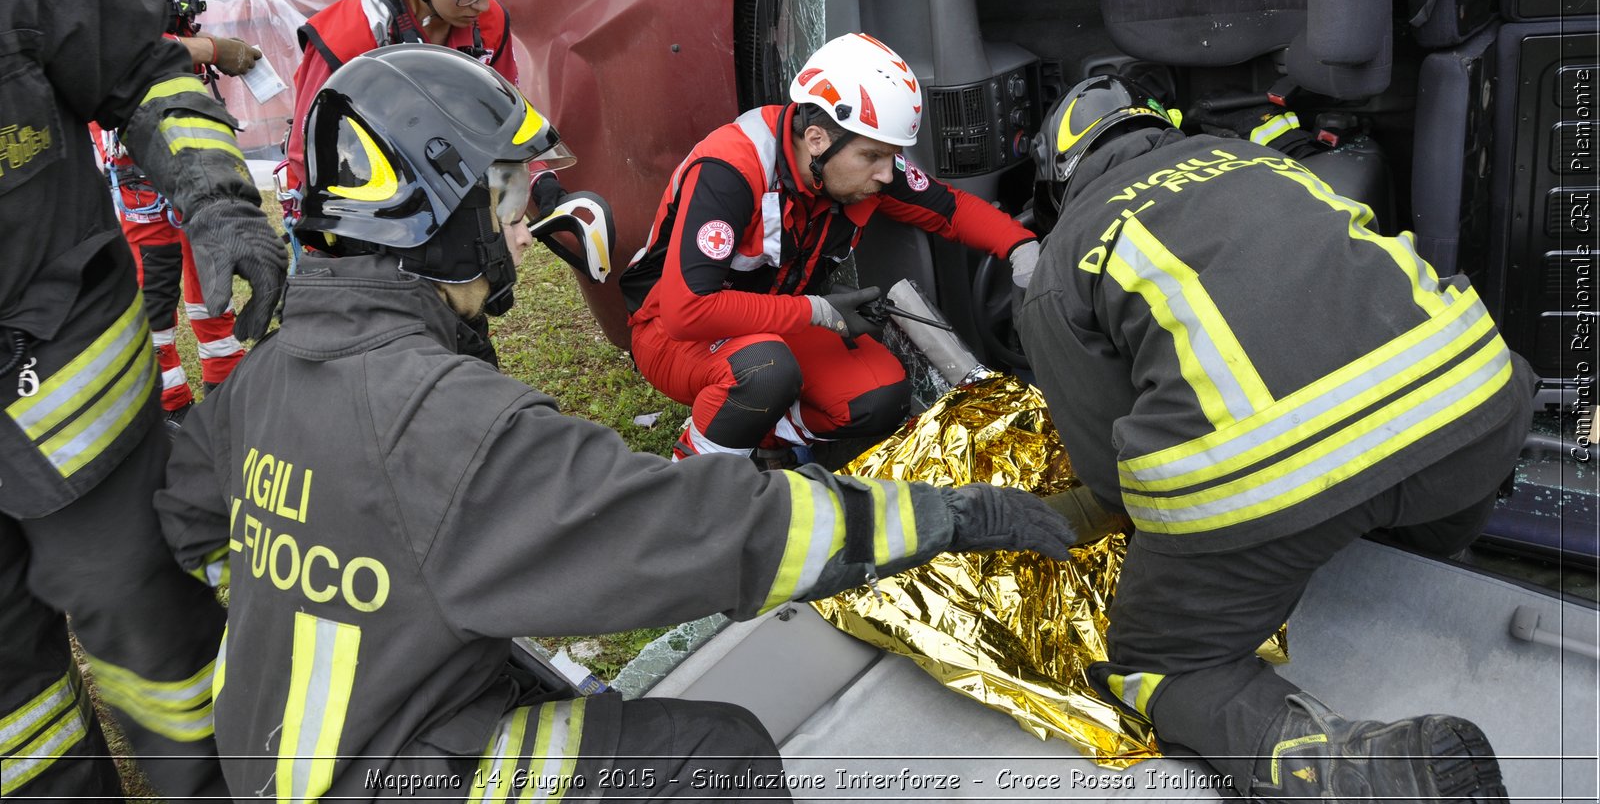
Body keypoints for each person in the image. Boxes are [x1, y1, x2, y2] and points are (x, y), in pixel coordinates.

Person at [153, 42, 1087, 801]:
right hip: (390, 771)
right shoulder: (454, 424)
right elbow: (699, 531)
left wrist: (342, 592)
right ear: (434, 221)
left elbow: (190, 514)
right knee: (717, 758)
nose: (522, 230)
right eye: (507, 200)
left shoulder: (265, 376)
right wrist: (948, 517)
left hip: (278, 754)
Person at [1018, 74, 1535, 800]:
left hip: (1275, 489)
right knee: (1426, 469)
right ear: (1160, 126)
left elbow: (1115, 477)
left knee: (1156, 664)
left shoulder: (1063, 258)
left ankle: (1354, 774)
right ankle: (1429, 530)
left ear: (1055, 180)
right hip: (1478, 406)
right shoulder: (1262, 161)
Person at [0, 0, 285, 800]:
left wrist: (217, 197)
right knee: (14, 715)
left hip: (66, 382)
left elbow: (145, 72)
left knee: (155, 637)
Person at [621, 32, 1041, 470]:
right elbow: (687, 310)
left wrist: (1021, 247)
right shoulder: (732, 169)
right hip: (673, 331)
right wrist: (816, 311)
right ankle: (691, 478)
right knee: (765, 369)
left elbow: (949, 209)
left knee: (880, 394)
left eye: (893, 156)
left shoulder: (851, 161)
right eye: (874, 157)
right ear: (817, 139)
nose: (887, 173)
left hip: (774, 322)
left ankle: (763, 432)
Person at [284, 0, 571, 363]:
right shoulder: (344, 35)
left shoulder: (488, 24)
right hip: (375, 232)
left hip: (456, 226)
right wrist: (315, 262)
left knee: (466, 355)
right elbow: (304, 163)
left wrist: (530, 197)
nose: (482, 4)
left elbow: (502, 130)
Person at [88, 0, 262, 424]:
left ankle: (223, 375)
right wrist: (210, 50)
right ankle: (166, 401)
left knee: (205, 249)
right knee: (156, 271)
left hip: (180, 130)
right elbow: (116, 45)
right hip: (131, 139)